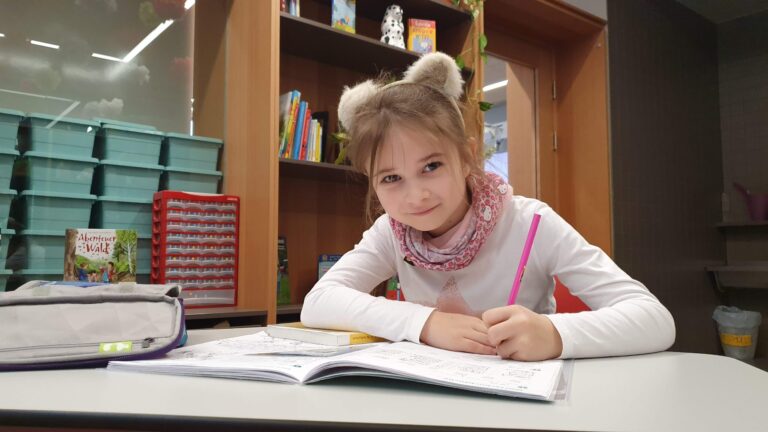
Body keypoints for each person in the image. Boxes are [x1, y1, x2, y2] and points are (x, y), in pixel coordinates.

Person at [300, 52, 675, 361]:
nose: (415, 197)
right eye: (391, 178)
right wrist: (424, 322)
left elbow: (654, 319)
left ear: (467, 156)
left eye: (431, 166)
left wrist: (554, 334)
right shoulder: (393, 232)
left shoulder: (531, 223)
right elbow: (318, 302)